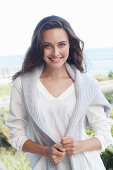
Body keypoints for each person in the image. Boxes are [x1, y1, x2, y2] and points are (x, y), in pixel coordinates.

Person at [6, 15, 113, 170]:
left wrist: (80, 145)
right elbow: (17, 135)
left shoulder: (87, 85)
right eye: (47, 45)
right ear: (39, 47)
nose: (55, 52)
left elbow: (104, 134)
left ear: (70, 45)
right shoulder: (22, 85)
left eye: (61, 44)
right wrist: (45, 151)